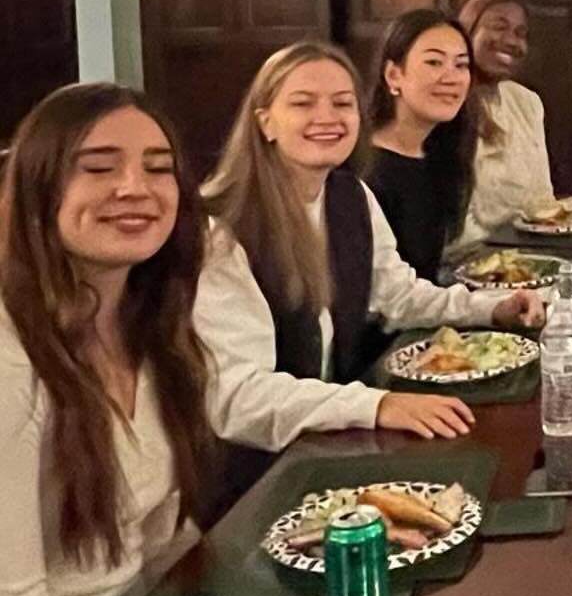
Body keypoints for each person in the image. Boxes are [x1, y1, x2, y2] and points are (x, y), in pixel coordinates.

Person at [195, 43, 545, 466]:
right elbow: (236, 398)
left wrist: (493, 309)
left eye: (342, 103)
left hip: (329, 446)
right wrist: (375, 406)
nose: (327, 117)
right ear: (265, 122)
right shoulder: (220, 232)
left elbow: (398, 296)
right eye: (303, 103)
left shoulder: (349, 196)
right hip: (251, 478)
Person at [0, 84, 211, 596]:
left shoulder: (152, 330)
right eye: (98, 167)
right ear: (39, 190)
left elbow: (163, 542)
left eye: (158, 169)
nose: (134, 188)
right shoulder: (11, 361)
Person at [366, 9, 478, 282]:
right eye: (434, 62)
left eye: (461, 65)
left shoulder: (440, 155)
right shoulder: (364, 168)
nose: (450, 77)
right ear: (393, 75)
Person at [451, 0, 557, 246]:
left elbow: (543, 200)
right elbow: (458, 227)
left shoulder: (527, 102)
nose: (512, 41)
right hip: (473, 257)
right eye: (499, 27)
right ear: (467, 33)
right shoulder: (448, 105)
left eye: (520, 34)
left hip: (532, 246)